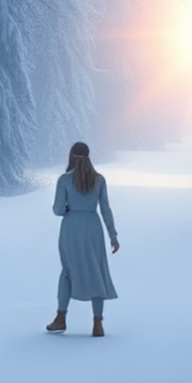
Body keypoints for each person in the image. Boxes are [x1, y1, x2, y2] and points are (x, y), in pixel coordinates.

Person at [45, 141, 119, 337]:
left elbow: (58, 209)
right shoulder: (99, 180)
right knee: (97, 271)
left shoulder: (64, 180)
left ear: (71, 156)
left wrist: (68, 208)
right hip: (93, 227)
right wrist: (113, 235)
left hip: (71, 228)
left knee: (68, 271)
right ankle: (98, 323)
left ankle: (60, 317)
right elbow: (105, 209)